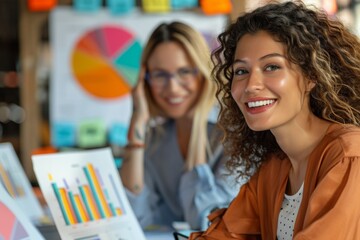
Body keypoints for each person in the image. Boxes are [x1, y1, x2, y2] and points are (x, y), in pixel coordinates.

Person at [190, 1, 360, 239]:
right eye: (241, 71)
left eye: (271, 67)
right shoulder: (274, 169)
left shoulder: (348, 155)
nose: (251, 85)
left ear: (312, 76)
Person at [119, 21, 241, 230]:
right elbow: (131, 219)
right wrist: (137, 123)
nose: (173, 88)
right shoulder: (155, 139)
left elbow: (208, 223)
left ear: (203, 74)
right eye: (160, 74)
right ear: (145, 80)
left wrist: (195, 130)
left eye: (185, 72)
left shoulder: (238, 135)